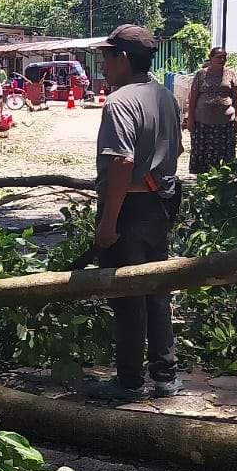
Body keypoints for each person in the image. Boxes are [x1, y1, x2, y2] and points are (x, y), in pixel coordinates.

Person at [88, 25, 184, 401]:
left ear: (123, 59)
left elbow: (122, 163)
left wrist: (108, 223)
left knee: (127, 293)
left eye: (108, 56)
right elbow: (175, 152)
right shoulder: (165, 97)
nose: (104, 64)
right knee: (156, 287)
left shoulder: (120, 102)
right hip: (160, 200)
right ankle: (166, 375)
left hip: (129, 205)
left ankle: (129, 381)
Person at [184, 47, 237, 174]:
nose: (222, 59)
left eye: (224, 56)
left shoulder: (231, 74)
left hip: (225, 122)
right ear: (211, 58)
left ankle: (223, 180)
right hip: (203, 122)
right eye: (219, 57)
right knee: (203, 152)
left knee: (224, 153)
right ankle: (204, 180)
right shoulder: (201, 74)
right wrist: (190, 119)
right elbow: (193, 98)